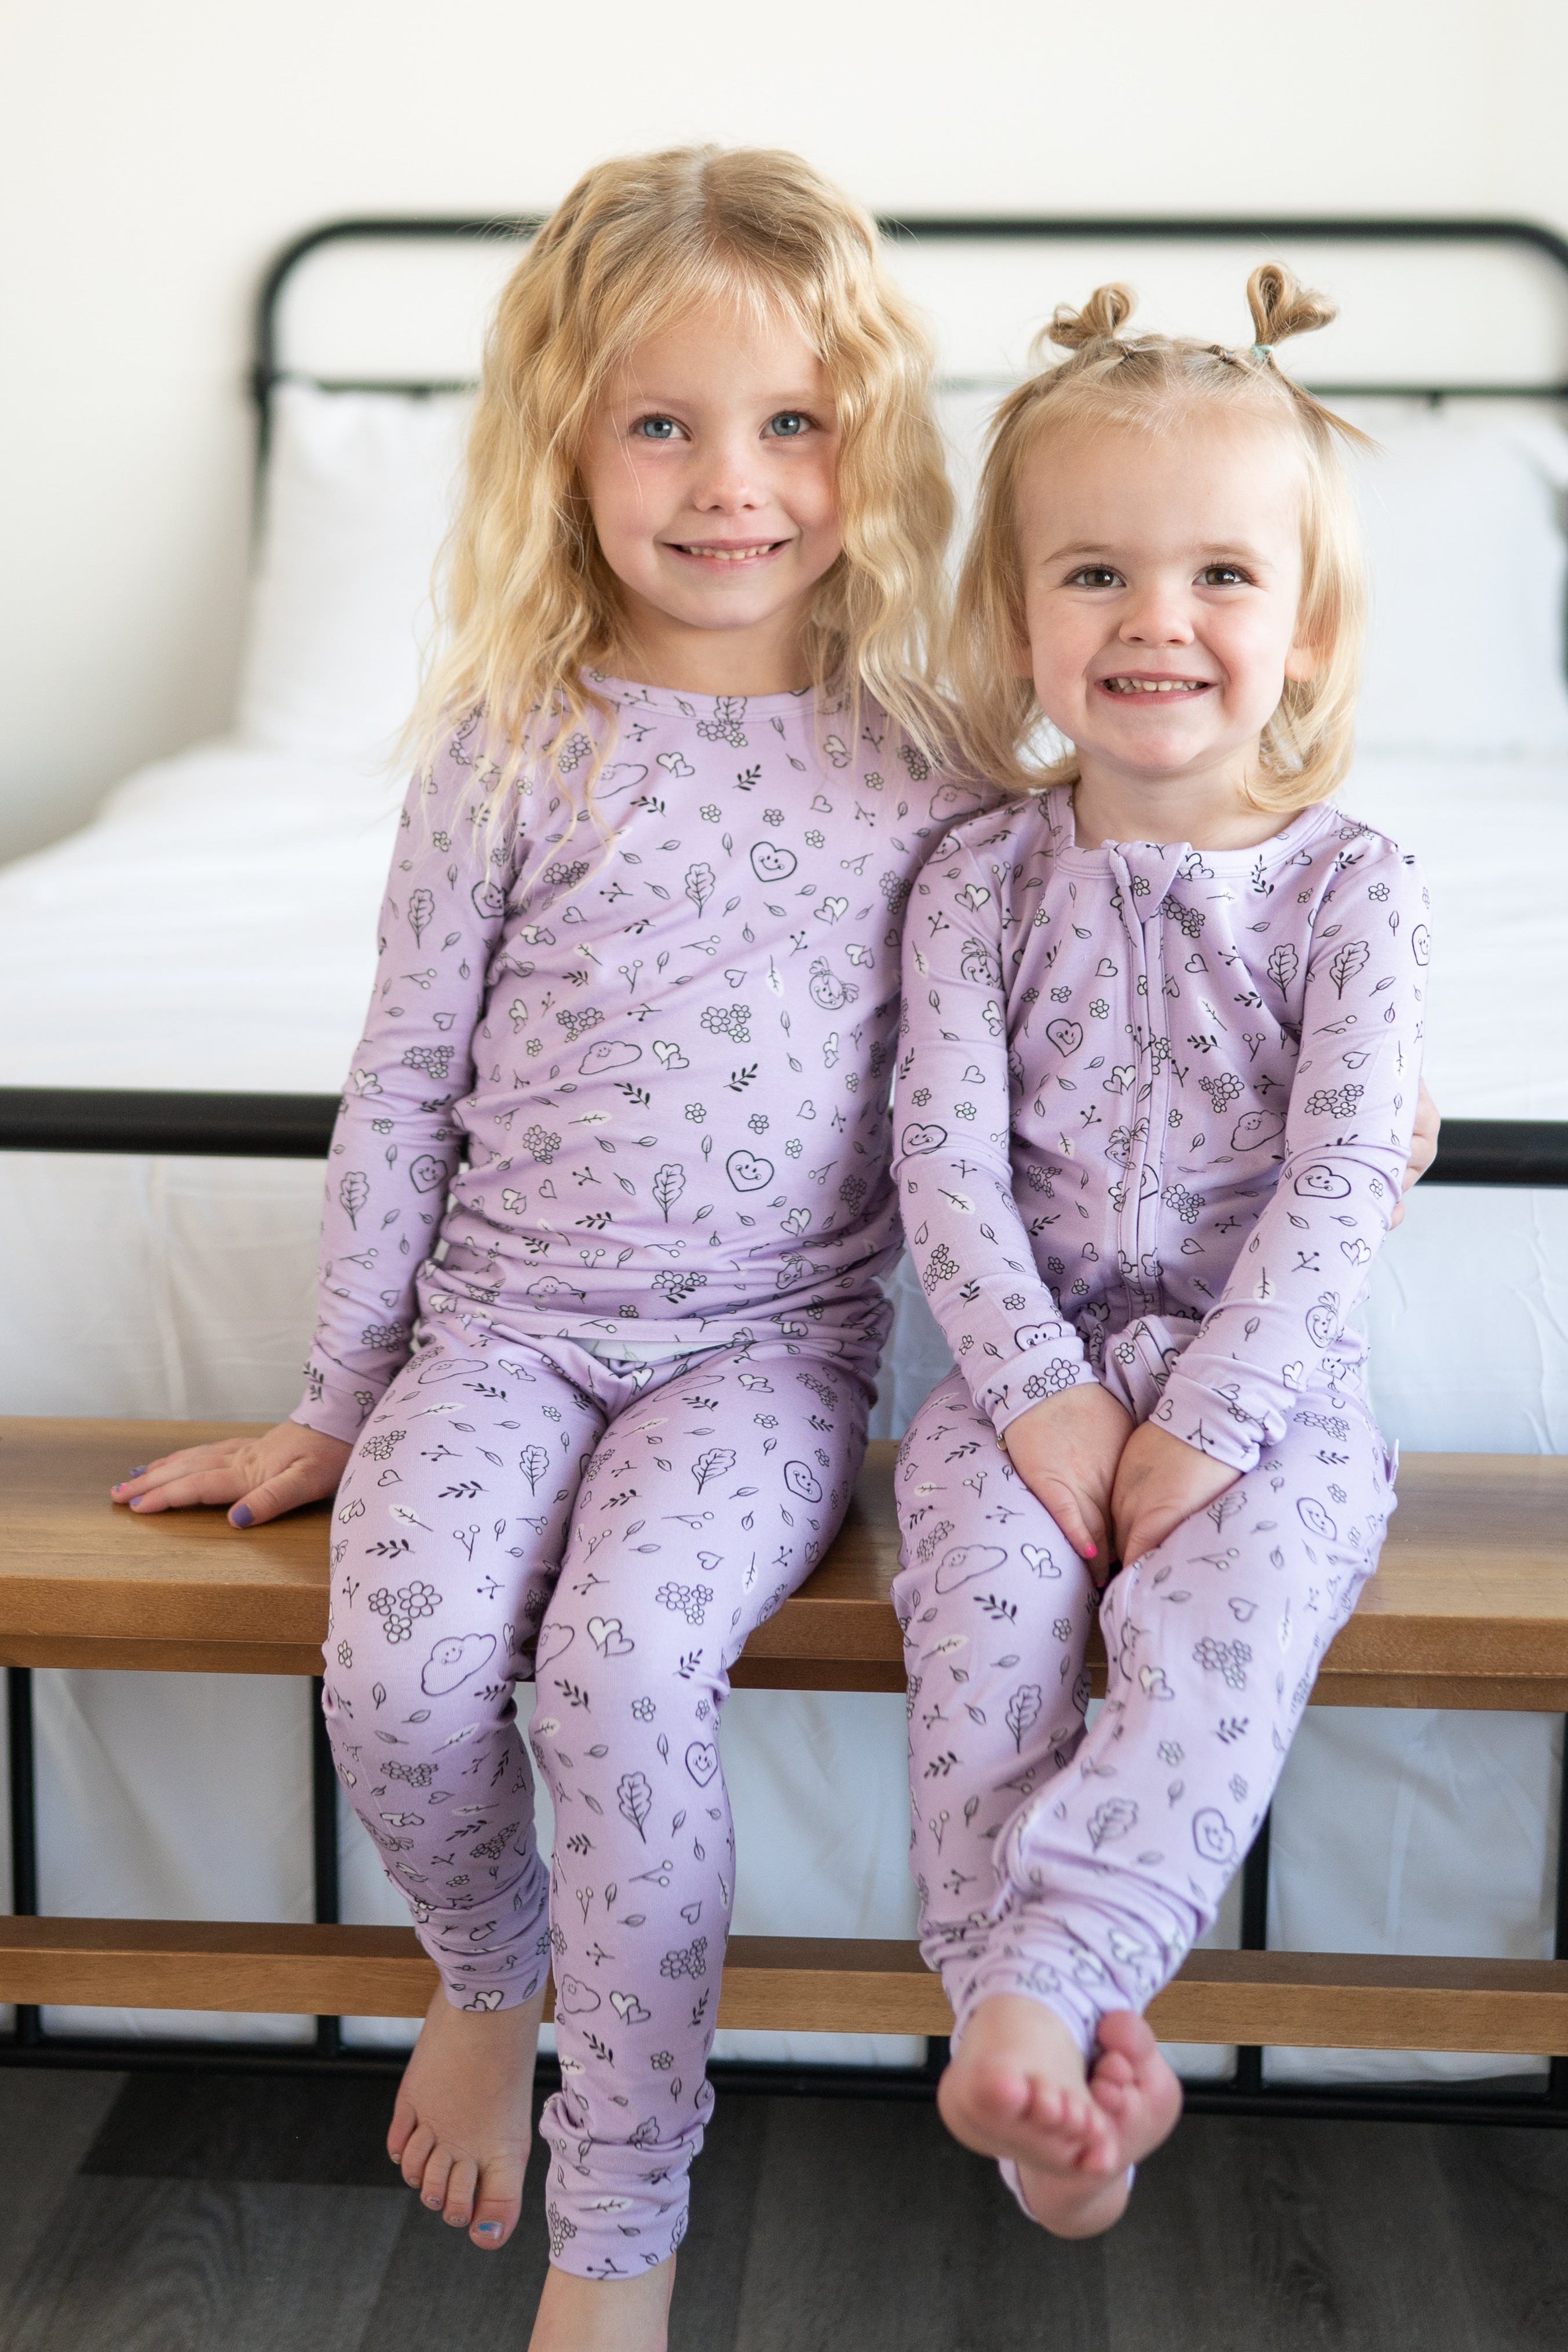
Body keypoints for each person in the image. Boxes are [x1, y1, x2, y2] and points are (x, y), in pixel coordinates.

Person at [111, 145, 960, 2351]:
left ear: (867, 441)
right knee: (395, 1675)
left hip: (760, 1359)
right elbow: (400, 1075)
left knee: (608, 1675)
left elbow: (1077, 1009)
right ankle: (484, 1976)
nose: (729, 485)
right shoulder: (507, 743)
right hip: (499, 1327)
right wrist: (336, 1390)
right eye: (659, 423)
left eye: (789, 423)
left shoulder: (942, 750)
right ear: (562, 448)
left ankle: (624, 2216)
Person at [891, 266, 1430, 2237]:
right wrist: (1035, 1400)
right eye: (1095, 574)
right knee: (980, 1637)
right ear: (1015, 614)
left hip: (1260, 1396)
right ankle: (1020, 2051)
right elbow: (934, 1156)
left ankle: (1066, 1984)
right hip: (1016, 1386)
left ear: (1304, 628)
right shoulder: (973, 878)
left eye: (1219, 574)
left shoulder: (1352, 887)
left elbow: (1350, 1162)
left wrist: (1210, 1419)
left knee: (1215, 1633)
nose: (1155, 622)